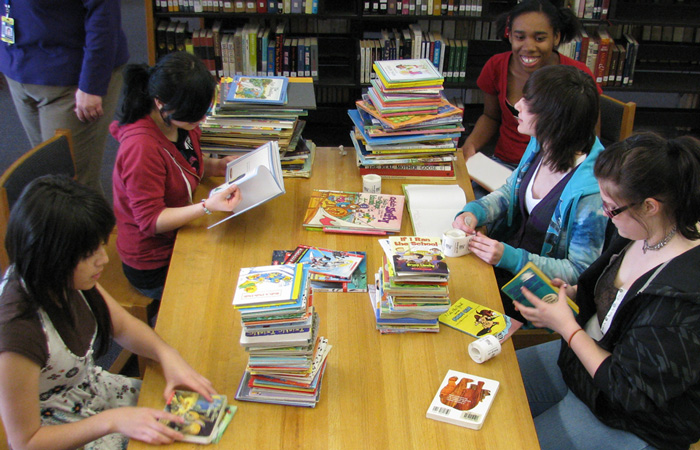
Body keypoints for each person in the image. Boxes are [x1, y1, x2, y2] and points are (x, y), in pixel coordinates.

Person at [0, 175, 219, 450]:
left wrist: (167, 355)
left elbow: (123, 327)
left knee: (198, 415)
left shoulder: (66, 276)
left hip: (94, 394)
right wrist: (114, 421)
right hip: (60, 431)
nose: (104, 259)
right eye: (90, 253)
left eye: (100, 246)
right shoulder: (16, 333)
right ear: (53, 257)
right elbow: (25, 441)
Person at [514, 132, 700, 450]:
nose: (604, 214)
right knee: (494, 391)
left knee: (512, 440)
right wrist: (573, 295)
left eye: (611, 207)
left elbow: (627, 390)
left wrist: (566, 328)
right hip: (583, 358)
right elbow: (607, 296)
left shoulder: (682, 298)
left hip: (633, 414)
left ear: (650, 206)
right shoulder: (637, 231)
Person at [452, 65, 607, 323]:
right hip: (504, 261)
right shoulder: (543, 142)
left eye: (529, 102)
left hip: (535, 294)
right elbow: (509, 191)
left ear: (553, 121)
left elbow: (579, 271)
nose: (517, 104)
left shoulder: (592, 194)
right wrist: (475, 211)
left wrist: (509, 257)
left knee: (452, 299)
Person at [111, 51, 242, 300]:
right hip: (154, 262)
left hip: (181, 233)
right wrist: (207, 206)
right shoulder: (140, 148)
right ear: (160, 103)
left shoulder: (179, 122)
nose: (202, 119)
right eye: (195, 114)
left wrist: (219, 166)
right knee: (226, 288)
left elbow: (185, 164)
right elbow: (151, 221)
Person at [0, 0, 129, 194]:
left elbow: (104, 14)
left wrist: (92, 84)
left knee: (71, 187)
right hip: (19, 68)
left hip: (72, 80)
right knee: (47, 173)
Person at [459, 0, 601, 172]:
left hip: (555, 169)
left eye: (540, 38)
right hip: (503, 165)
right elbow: (491, 116)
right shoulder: (496, 66)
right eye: (520, 37)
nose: (529, 47)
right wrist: (470, 145)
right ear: (509, 35)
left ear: (556, 37)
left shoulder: (578, 76)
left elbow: (590, 135)